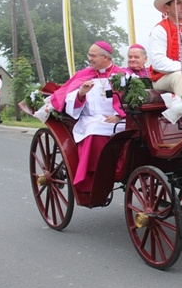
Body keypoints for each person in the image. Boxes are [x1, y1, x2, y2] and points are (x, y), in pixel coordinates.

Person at [49, 41, 127, 196]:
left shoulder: (122, 75)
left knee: (133, 129)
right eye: (89, 55)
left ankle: (124, 167)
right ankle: (95, 175)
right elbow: (70, 100)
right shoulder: (84, 75)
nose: (89, 59)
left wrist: (119, 115)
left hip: (118, 118)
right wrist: (81, 93)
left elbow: (130, 99)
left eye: (93, 55)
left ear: (105, 57)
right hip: (90, 117)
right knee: (93, 131)